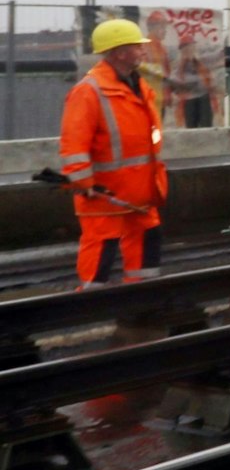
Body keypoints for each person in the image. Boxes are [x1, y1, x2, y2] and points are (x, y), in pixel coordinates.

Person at [56, 18, 169, 286]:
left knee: (147, 250)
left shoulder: (138, 86)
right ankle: (89, 305)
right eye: (136, 46)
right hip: (105, 194)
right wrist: (84, 184)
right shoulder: (89, 91)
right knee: (100, 255)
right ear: (120, 52)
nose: (142, 50)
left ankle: (141, 302)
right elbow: (74, 143)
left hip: (140, 191)